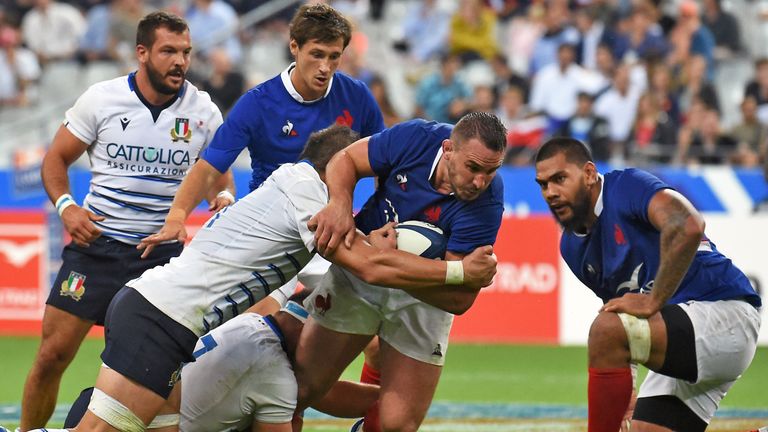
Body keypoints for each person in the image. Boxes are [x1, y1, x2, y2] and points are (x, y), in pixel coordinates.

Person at [33, 125, 496, 432]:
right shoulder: (308, 197)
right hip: (161, 318)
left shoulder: (290, 187)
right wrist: (458, 271)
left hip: (167, 318)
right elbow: (369, 268)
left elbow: (355, 258)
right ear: (337, 168)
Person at [19, 11, 233, 431]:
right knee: (51, 355)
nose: (180, 62)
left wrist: (224, 198)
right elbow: (55, 159)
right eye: (169, 51)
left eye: (186, 52)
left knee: (161, 371)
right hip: (96, 249)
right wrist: (67, 206)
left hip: (161, 258)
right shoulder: (102, 98)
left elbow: (219, 176)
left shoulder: (203, 110)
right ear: (142, 53)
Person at [296, 112, 507, 432]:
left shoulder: (487, 201)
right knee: (302, 389)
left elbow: (457, 298)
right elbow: (345, 159)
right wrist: (340, 204)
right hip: (359, 276)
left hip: (424, 301)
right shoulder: (416, 138)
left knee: (397, 425)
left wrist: (393, 266)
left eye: (491, 172)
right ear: (448, 149)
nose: (480, 182)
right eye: (473, 168)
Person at [533, 137, 762, 432]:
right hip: (681, 337)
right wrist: (625, 380)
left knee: (605, 329)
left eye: (559, 179)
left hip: (724, 313)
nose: (551, 192)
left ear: (589, 174)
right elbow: (621, 308)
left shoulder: (626, 186)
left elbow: (687, 225)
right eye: (543, 184)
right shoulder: (572, 246)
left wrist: (654, 299)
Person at [139, 2, 385, 259]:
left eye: (334, 56)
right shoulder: (258, 102)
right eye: (317, 54)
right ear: (294, 47)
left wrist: (382, 218)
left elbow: (383, 160)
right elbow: (210, 166)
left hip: (330, 229)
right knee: (264, 300)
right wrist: (177, 217)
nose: (325, 66)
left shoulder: (357, 96)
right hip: (268, 231)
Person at [60, 292, 380, 432]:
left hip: (97, 404)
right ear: (306, 332)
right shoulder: (276, 377)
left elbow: (323, 392)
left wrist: (382, 401)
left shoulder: (247, 322)